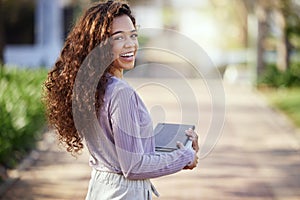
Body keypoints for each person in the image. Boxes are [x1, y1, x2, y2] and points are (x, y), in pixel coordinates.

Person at [43, 1, 199, 199]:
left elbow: (121, 152)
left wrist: (173, 149)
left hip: (101, 187)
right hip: (124, 193)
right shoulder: (120, 93)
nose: (130, 44)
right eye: (118, 38)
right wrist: (186, 156)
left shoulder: (94, 88)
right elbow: (133, 166)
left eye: (133, 35)